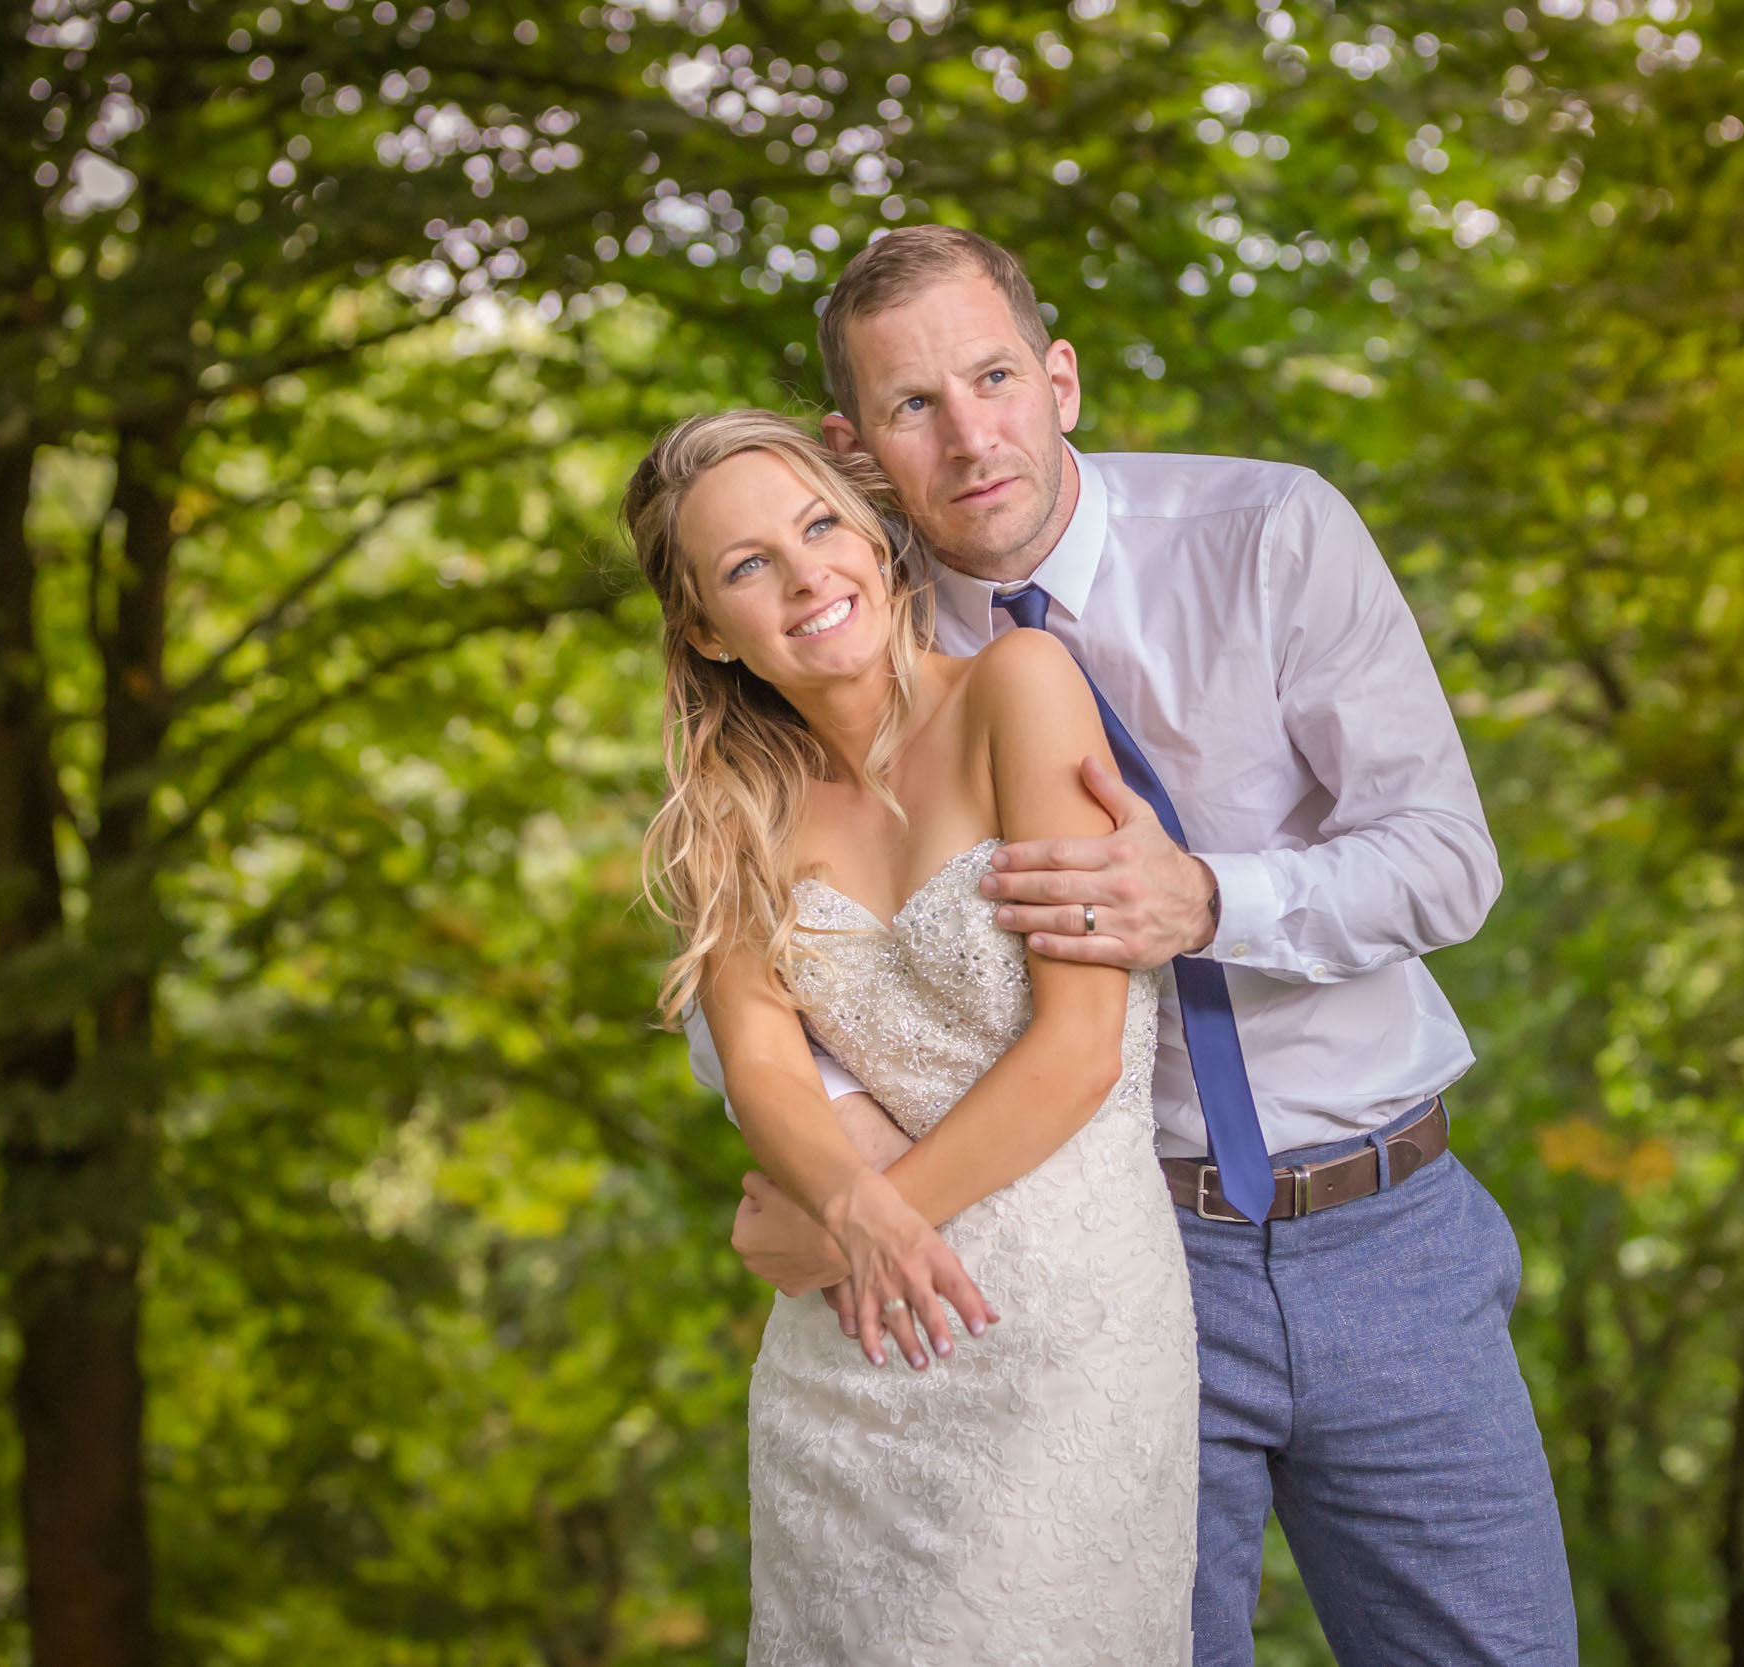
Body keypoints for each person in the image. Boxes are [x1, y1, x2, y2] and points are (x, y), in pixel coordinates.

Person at [703, 227, 1578, 1666]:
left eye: (992, 375)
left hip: (1387, 1225)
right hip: (1095, 1265)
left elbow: (1446, 858)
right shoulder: (847, 625)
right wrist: (850, 1176)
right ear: (853, 448)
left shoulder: (1272, 536)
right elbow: (765, 934)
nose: (970, 431)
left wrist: (1211, 903)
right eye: (913, 404)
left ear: (1062, 377)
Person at [629, 411, 1199, 1664]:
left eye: (818, 525)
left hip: (1062, 1330)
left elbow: (1080, 1047)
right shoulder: (726, 817)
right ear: (701, 628)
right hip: (849, 1371)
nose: (802, 576)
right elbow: (765, 1067)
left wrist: (866, 1217)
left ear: (878, 542)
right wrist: (853, 1211)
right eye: (744, 567)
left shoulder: (1018, 687)